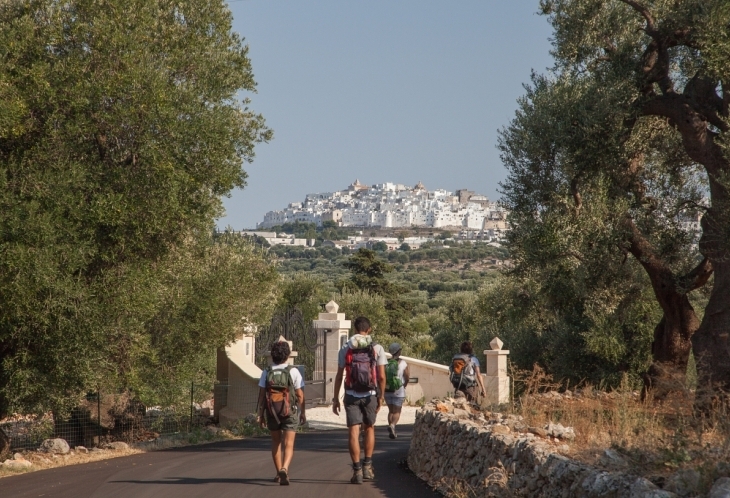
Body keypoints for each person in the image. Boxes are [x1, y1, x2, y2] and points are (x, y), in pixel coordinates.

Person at [332, 316, 387, 484]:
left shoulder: (345, 348)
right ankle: (367, 467)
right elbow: (382, 377)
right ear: (368, 329)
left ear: (355, 329)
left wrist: (335, 399)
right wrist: (381, 396)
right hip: (370, 394)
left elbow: (339, 375)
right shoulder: (377, 348)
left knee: (353, 432)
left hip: (351, 394)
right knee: (369, 428)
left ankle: (356, 471)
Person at [257, 340, 306, 486]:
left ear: (272, 355)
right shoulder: (293, 371)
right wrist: (303, 412)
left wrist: (260, 414)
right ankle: (285, 468)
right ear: (287, 355)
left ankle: (278, 473)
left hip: (272, 412)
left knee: (276, 442)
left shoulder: (266, 372)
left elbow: (261, 394)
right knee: (288, 444)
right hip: (289, 411)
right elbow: (300, 395)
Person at [385, 342, 409, 439]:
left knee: (391, 411)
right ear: (398, 351)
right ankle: (393, 425)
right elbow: (407, 377)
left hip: (387, 390)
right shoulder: (403, 363)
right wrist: (404, 386)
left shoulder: (386, 362)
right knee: (397, 411)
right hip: (398, 390)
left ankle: (392, 429)